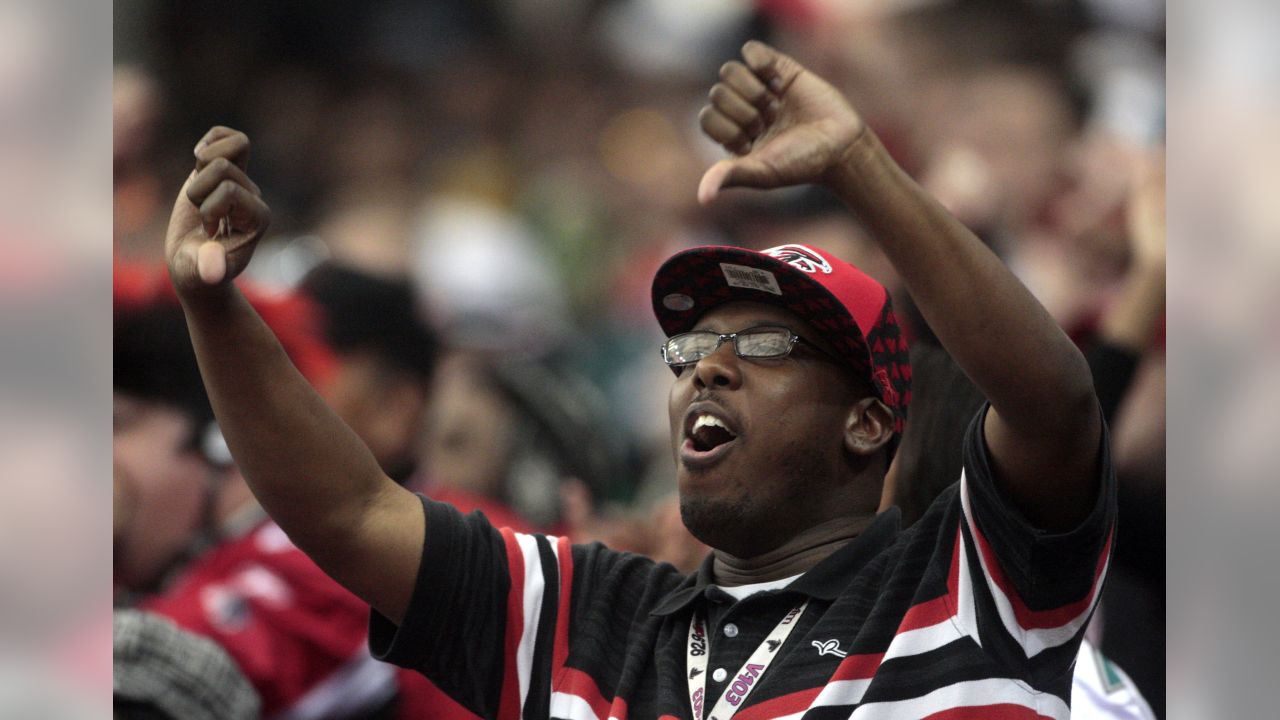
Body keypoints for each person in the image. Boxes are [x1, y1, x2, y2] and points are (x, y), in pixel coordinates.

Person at [163, 41, 1113, 718]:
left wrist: (859, 165)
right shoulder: (596, 617)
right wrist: (214, 309)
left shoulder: (971, 579)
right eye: (692, 352)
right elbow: (350, 513)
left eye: (766, 349)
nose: (712, 370)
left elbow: (1052, 403)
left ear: (867, 425)